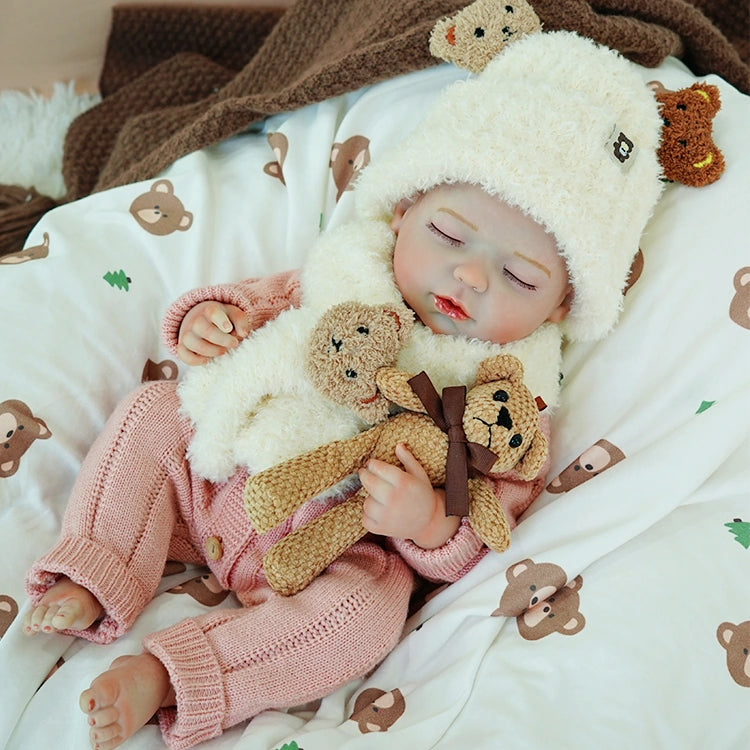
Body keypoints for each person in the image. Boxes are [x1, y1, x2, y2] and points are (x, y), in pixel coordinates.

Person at [23, 31, 663, 750]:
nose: (472, 277)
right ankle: (100, 568)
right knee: (152, 413)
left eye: (519, 277)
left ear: (557, 310)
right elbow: (257, 308)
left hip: (332, 552)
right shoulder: (343, 275)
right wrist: (210, 322)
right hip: (213, 482)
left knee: (368, 612)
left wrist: (425, 524)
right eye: (449, 234)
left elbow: (487, 524)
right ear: (402, 210)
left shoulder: (508, 401)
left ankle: (174, 677)